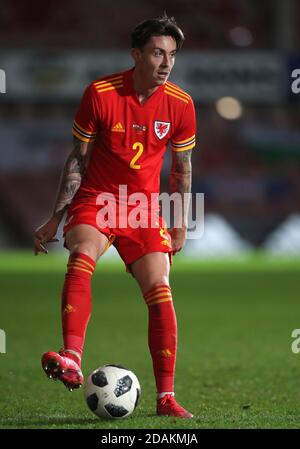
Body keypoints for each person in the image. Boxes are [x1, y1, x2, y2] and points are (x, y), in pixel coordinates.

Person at [34, 15, 196, 419]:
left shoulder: (181, 103)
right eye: (158, 53)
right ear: (136, 54)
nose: (166, 63)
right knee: (83, 254)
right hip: (97, 198)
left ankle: (165, 398)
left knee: (160, 287)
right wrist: (56, 217)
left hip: (143, 207)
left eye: (172, 55)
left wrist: (179, 222)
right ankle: (72, 356)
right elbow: (77, 159)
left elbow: (182, 168)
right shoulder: (101, 93)